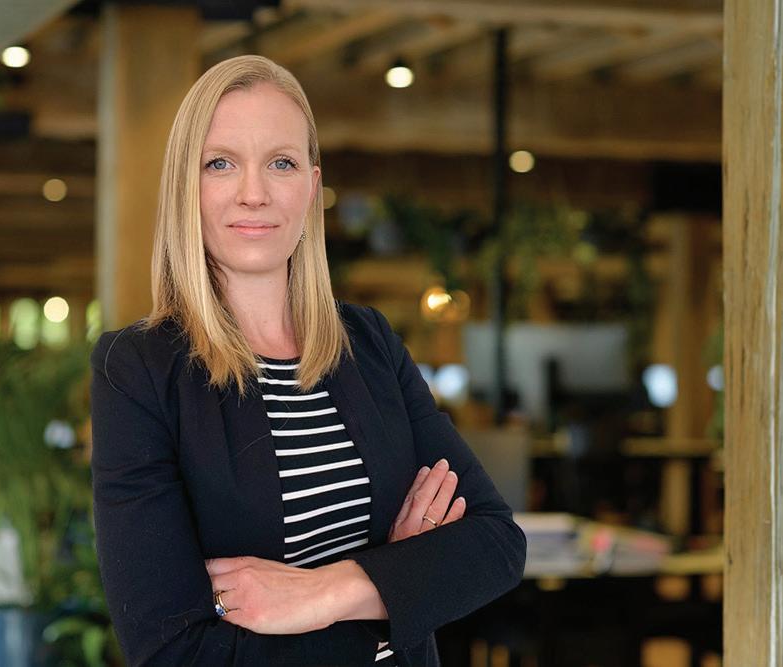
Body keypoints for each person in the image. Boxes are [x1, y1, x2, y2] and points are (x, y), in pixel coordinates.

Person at [89, 54, 526, 667]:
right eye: (221, 163)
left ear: (312, 187)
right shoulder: (138, 370)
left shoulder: (368, 343)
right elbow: (171, 649)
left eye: (281, 163)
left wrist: (327, 592)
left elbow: (496, 542)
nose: (254, 193)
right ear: (186, 185)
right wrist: (395, 587)